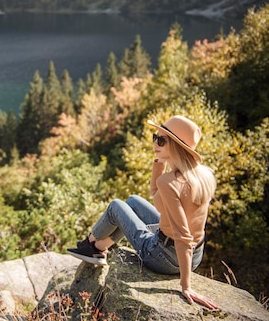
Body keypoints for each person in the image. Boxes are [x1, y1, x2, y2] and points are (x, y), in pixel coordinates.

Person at [67, 115, 219, 310]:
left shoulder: (170, 182)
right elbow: (157, 199)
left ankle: (90, 244)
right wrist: (160, 162)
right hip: (195, 256)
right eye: (155, 137)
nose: (155, 142)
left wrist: (186, 286)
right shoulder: (203, 175)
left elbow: (183, 236)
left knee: (116, 206)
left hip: (162, 257)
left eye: (162, 140)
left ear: (176, 147)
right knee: (132, 201)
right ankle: (101, 246)